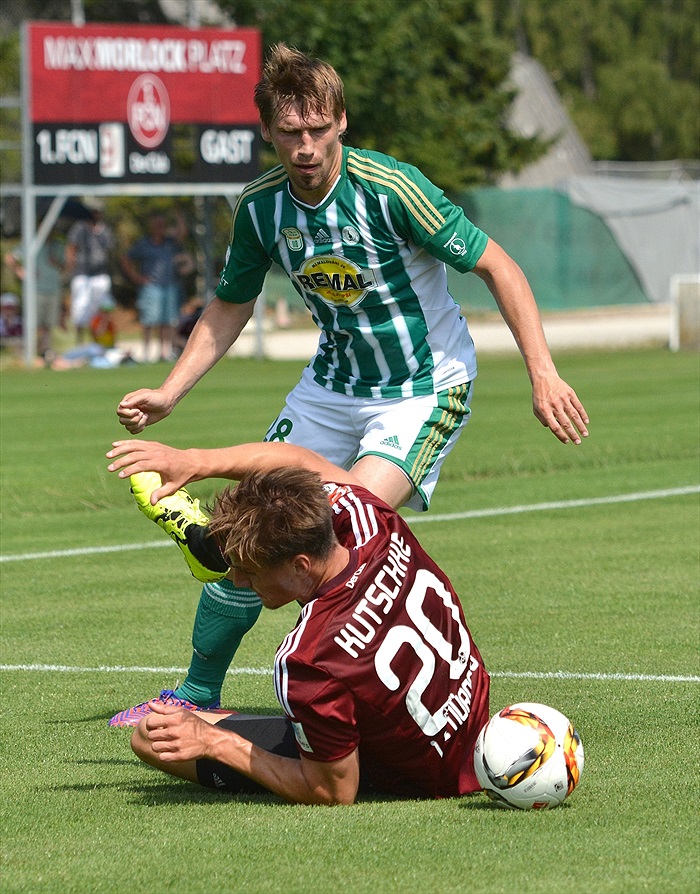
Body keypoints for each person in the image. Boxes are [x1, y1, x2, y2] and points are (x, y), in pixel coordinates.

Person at [109, 43, 588, 728]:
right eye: (289, 132)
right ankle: (195, 692)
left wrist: (543, 372)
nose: (305, 147)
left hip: (423, 389)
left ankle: (369, 698)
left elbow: (498, 266)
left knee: (346, 522)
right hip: (331, 388)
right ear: (268, 131)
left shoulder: (392, 190)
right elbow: (231, 303)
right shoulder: (261, 208)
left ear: (341, 121)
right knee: (252, 531)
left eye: (317, 129)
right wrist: (169, 392)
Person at [106, 437, 490, 804]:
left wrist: (215, 743)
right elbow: (303, 462)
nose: (237, 581)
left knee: (151, 735)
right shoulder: (372, 519)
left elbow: (334, 792)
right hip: (472, 724)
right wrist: (197, 462)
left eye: (249, 571)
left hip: (425, 775)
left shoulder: (307, 657)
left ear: (300, 565)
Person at [120, 211, 192, 363]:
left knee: (167, 321)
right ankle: (146, 353)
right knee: (148, 321)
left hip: (169, 286)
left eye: (162, 225)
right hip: (151, 287)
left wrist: (178, 214)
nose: (160, 228)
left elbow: (182, 233)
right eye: (157, 225)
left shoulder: (170, 243)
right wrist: (136, 277)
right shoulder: (144, 244)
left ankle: (165, 353)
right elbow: (126, 257)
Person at [4, 227, 65, 360]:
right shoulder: (31, 244)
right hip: (36, 290)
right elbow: (9, 258)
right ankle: (31, 352)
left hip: (53, 289)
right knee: (34, 323)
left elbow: (66, 267)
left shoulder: (57, 246)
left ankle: (45, 352)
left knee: (48, 324)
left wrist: (55, 262)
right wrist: (21, 272)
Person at [65, 200, 114, 343]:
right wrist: (70, 267)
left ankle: (99, 341)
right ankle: (79, 342)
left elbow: (109, 249)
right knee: (80, 309)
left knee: (103, 307)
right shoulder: (79, 228)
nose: (96, 215)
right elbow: (71, 247)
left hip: (100, 274)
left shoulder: (104, 230)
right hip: (82, 273)